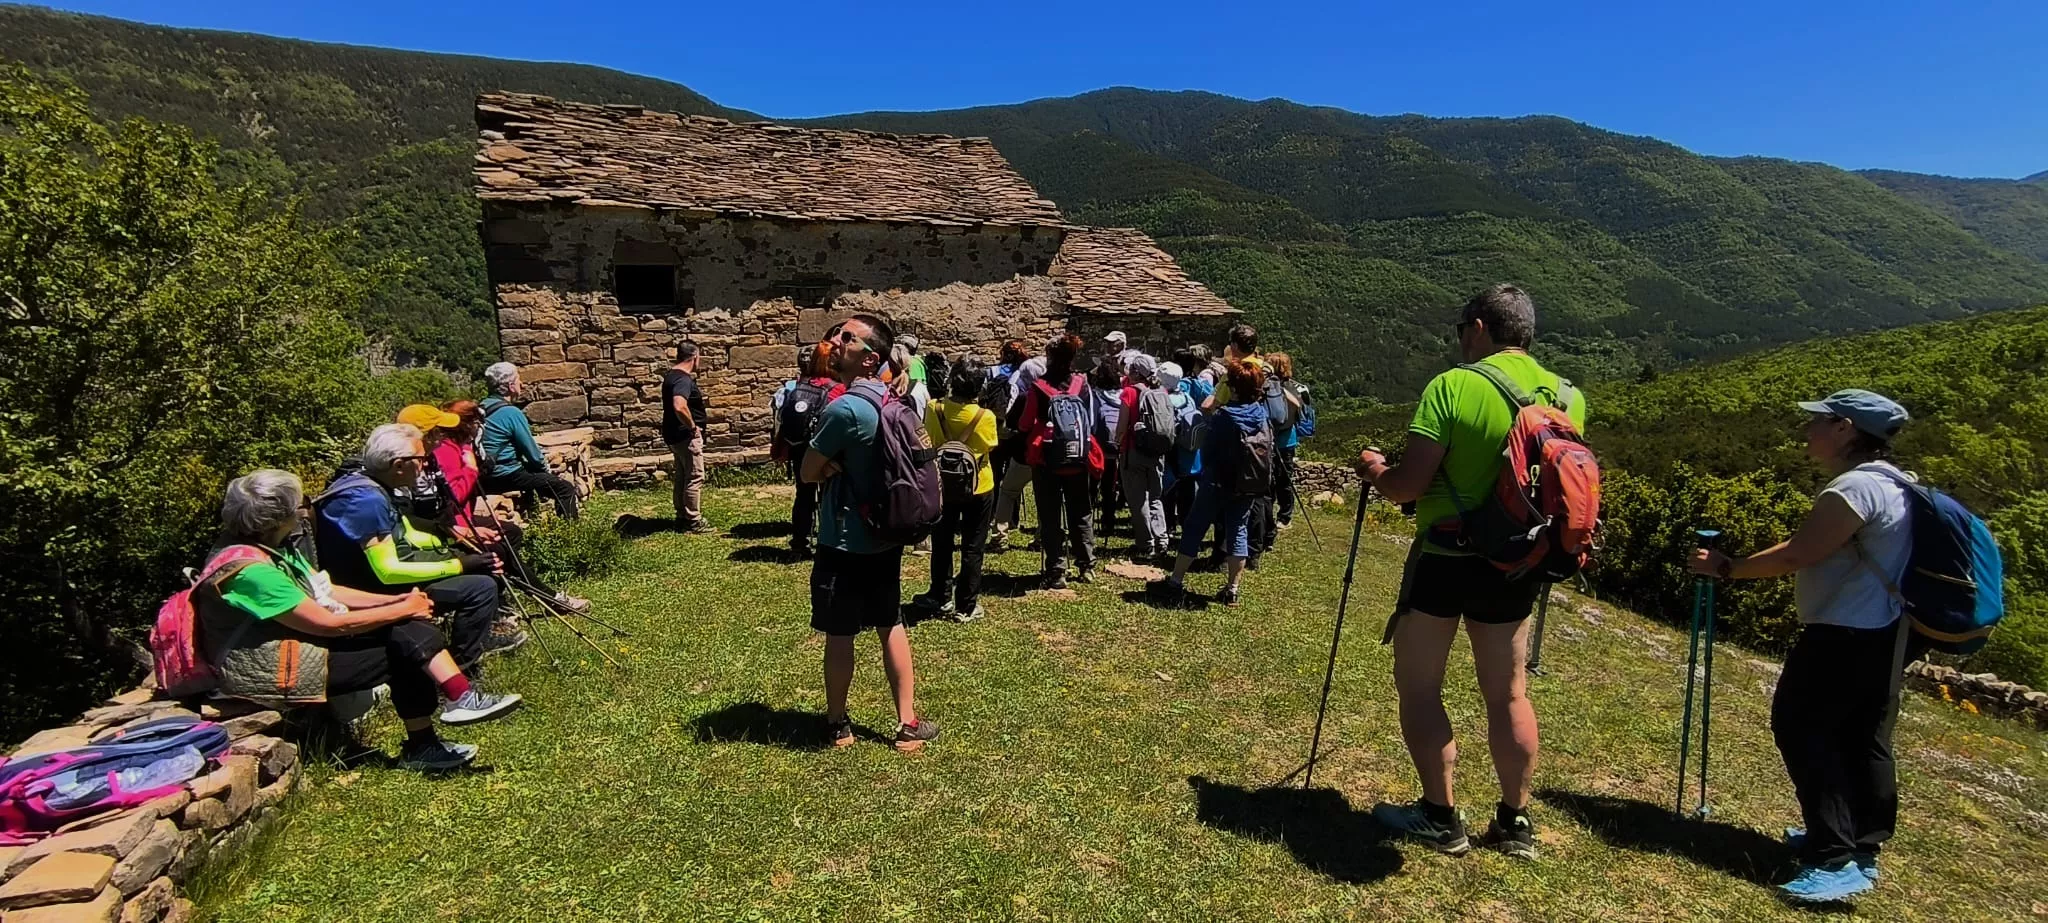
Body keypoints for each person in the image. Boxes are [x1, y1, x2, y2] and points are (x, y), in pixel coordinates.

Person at [1350, 283, 1584, 861]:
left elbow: (1408, 485)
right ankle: (1514, 821)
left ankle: (1439, 814)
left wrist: (1375, 469)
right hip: (1517, 564)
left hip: (1447, 558)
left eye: (1461, 329)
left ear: (1479, 326)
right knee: (1508, 694)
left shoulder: (1452, 388)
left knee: (1420, 686)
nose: (1459, 340)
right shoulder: (1569, 397)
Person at [1688, 389, 1914, 905]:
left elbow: (1799, 554)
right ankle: (1862, 845)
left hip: (1842, 632)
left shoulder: (1853, 489)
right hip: (1885, 632)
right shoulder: (1897, 483)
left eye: (1820, 421)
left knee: (1803, 726)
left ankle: (1833, 856)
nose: (1808, 430)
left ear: (1846, 430)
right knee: (1864, 737)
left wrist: (1726, 568)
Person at [204, 470, 519, 770]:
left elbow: (327, 590)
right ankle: (443, 717)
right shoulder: (251, 572)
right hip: (270, 670)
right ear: (280, 516)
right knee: (404, 642)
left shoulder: (269, 547)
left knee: (405, 630)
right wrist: (402, 610)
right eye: (300, 504)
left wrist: (397, 601)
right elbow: (326, 624)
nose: (305, 509)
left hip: (294, 650)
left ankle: (446, 714)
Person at [800, 314, 940, 752]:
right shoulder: (893, 400)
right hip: (885, 533)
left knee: (840, 633)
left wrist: (830, 464)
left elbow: (807, 472)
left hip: (842, 538)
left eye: (848, 338)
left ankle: (838, 725)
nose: (837, 341)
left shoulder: (845, 408)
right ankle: (907, 723)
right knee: (890, 622)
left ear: (869, 359)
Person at [316, 424, 523, 672]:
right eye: (421, 458)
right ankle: (461, 669)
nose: (425, 464)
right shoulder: (366, 501)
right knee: (480, 587)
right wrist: (459, 565)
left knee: (475, 559)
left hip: (374, 574)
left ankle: (475, 642)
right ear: (399, 465)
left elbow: (407, 533)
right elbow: (387, 571)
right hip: (368, 589)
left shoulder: (369, 483)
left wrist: (453, 541)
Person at [429, 401, 591, 614]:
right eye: (477, 423)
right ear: (466, 425)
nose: (480, 428)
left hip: (462, 518)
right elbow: (454, 495)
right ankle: (549, 598)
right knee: (500, 545)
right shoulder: (445, 451)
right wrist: (470, 466)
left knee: (511, 532)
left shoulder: (459, 446)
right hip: (453, 524)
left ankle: (499, 597)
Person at [1146, 360, 1270, 607]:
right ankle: (1232, 589)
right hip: (1248, 483)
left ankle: (1175, 582)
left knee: (1195, 527)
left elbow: (1209, 450)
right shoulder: (1261, 414)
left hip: (1217, 481)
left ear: (1233, 388)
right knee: (1238, 529)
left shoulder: (1225, 416)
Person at [1016, 333, 1105, 589]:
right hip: (1078, 455)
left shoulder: (1038, 387)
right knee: (1081, 511)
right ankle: (1086, 565)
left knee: (1050, 515)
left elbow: (1024, 423)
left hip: (1047, 458)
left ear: (1049, 358)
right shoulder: (1082, 384)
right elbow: (1092, 419)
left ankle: (1056, 571)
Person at [914, 356, 999, 622]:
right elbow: (990, 446)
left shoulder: (934, 408)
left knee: (942, 542)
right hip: (978, 485)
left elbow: (927, 439)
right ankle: (967, 604)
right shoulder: (985, 416)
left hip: (942, 484)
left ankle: (940, 595)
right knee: (974, 546)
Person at [479, 362, 580, 519]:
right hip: (506, 475)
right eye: (519, 380)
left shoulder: (480, 409)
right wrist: (546, 471)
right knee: (564, 489)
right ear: (511, 386)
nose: (522, 384)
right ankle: (570, 535)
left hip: (483, 476)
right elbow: (533, 455)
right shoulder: (511, 413)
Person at [775, 341, 846, 557]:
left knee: (803, 495)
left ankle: (799, 542)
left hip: (799, 448)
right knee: (828, 496)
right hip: (825, 450)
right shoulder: (837, 389)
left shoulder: (799, 386)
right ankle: (827, 541)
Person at [989, 353, 1047, 548]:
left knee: (1007, 491)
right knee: (1044, 497)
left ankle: (1000, 537)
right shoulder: (1056, 393)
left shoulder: (1025, 397)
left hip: (1024, 454)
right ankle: (1042, 537)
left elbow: (1015, 423)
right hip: (1047, 453)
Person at [1116, 354, 1171, 559]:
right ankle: (1162, 540)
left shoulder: (1129, 393)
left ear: (1136, 373)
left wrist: (1116, 443)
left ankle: (1145, 544)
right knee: (1155, 497)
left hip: (1134, 450)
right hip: (1157, 451)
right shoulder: (1161, 391)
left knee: (1138, 499)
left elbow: (1122, 426)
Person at [661, 342, 713, 534]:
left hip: (673, 435)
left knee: (682, 476)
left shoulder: (671, 375)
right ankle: (694, 520)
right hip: (685, 436)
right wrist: (692, 428)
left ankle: (682, 516)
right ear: (694, 357)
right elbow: (679, 405)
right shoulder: (683, 379)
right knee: (694, 476)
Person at [1267, 353, 1309, 530]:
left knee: (1274, 481)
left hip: (1275, 439)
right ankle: (1284, 516)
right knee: (1284, 481)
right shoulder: (1297, 387)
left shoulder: (1273, 388)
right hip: (1289, 440)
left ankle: (1278, 516)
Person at [1090, 357, 1126, 544]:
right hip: (1117, 447)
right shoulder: (1123, 395)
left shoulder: (1094, 395)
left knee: (1091, 487)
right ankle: (1108, 521)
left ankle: (1087, 523)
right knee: (1109, 488)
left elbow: (1091, 421)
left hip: (1097, 448)